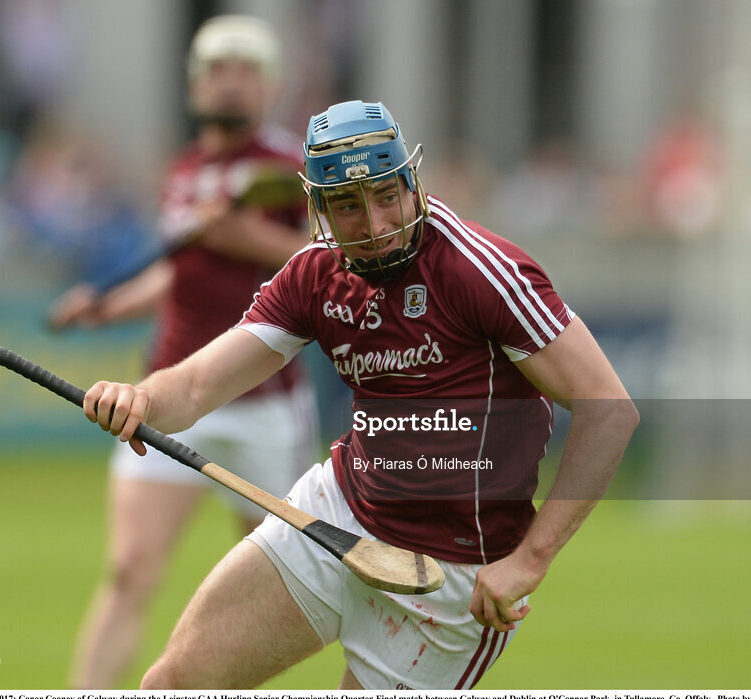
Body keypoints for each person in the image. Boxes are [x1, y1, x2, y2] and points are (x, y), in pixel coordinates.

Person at [82, 100, 639, 690]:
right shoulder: (313, 275)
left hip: (451, 581)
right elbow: (195, 385)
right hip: (337, 520)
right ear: (317, 208)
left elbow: (610, 411)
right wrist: (139, 398)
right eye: (347, 206)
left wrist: (529, 561)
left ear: (411, 183)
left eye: (385, 195)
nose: (373, 226)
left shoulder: (480, 271)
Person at [47, 16, 320, 689]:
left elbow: (327, 264)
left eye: (247, 71)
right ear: (195, 83)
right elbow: (181, 273)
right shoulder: (186, 169)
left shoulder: (289, 170)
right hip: (171, 393)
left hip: (264, 403)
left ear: (270, 86)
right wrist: (104, 306)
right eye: (219, 70)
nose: (232, 85)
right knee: (128, 570)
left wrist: (247, 235)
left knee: (285, 583)